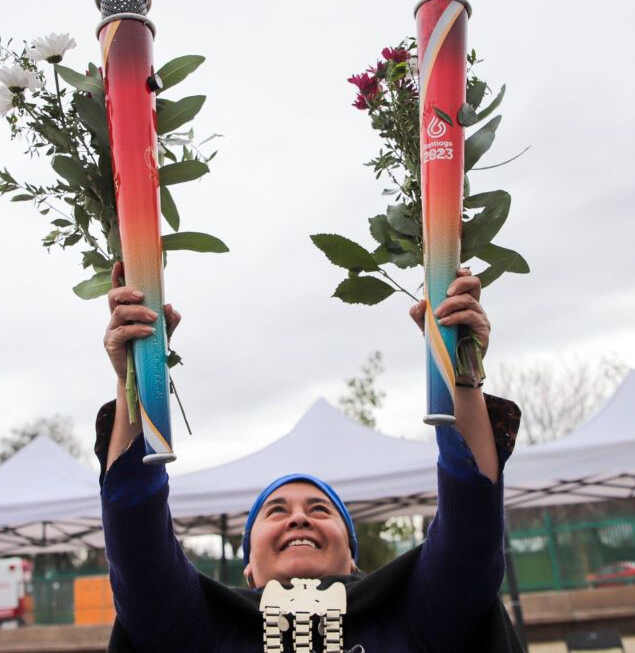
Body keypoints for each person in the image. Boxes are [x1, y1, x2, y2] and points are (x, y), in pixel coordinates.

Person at [98, 263, 523, 652]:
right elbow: (138, 545)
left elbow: (470, 531)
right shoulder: (203, 630)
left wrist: (460, 369)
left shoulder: (412, 618)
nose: (298, 519)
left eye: (319, 509)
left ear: (353, 558)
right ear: (248, 567)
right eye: (276, 511)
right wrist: (136, 373)